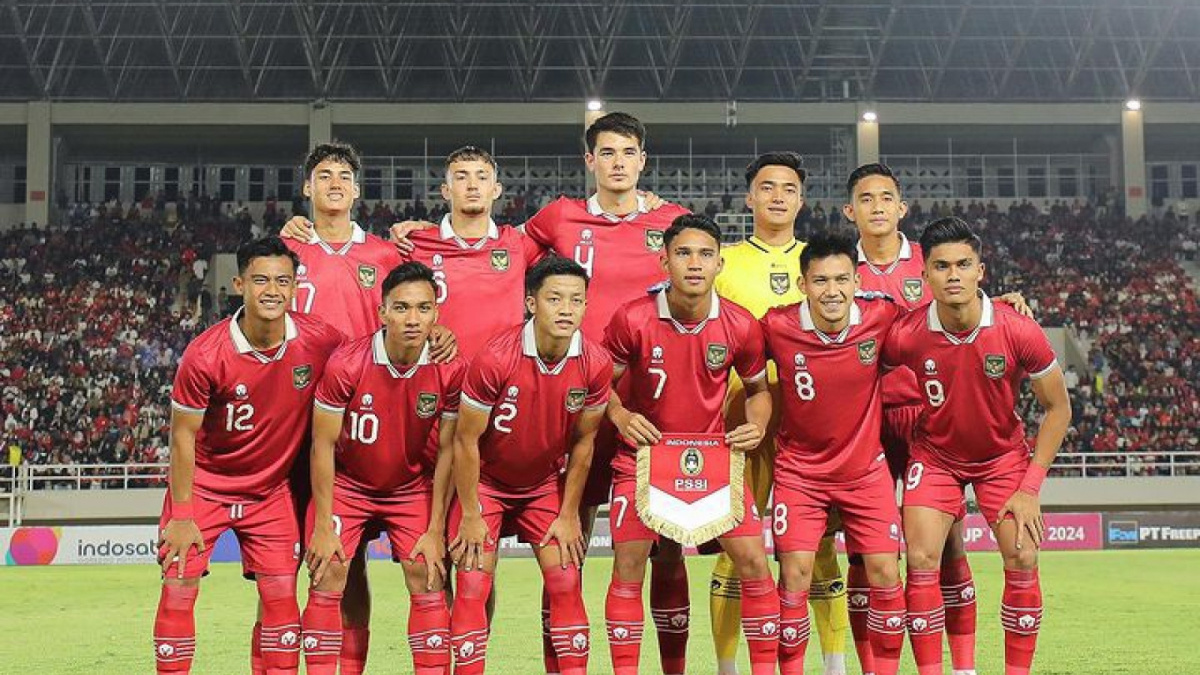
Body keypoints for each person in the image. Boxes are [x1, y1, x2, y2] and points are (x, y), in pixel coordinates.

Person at [517, 112, 692, 673]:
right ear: (589, 161)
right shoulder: (559, 216)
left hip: (652, 410)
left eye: (629, 153)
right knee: (563, 550)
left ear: (643, 160)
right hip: (574, 404)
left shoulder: (673, 221)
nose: (618, 163)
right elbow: (497, 260)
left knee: (665, 549)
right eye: (607, 153)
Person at [278, 141, 456, 675]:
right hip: (302, 425)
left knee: (417, 569)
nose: (334, 182)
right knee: (324, 565)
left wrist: (439, 328)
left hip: (385, 421)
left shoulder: (385, 254)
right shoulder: (287, 253)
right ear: (307, 189)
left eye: (344, 176)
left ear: (358, 191)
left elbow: (426, 295)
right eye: (323, 175)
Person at [881, 217, 1071, 675]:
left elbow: (1059, 409)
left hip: (1002, 459)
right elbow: (866, 374)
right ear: (924, 276)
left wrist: (1030, 488)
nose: (953, 275)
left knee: (1023, 555)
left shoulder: (1017, 329)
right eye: (941, 266)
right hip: (935, 457)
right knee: (922, 558)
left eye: (963, 264)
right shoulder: (906, 334)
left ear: (980, 271)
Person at [153, 236, 344, 675]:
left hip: (269, 491)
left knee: (281, 597)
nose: (272, 290)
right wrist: (181, 514)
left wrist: (440, 337)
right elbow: (182, 437)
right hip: (205, 487)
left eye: (282, 280)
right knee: (178, 589)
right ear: (240, 284)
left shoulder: (320, 340)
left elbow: (371, 354)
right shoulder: (204, 354)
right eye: (260, 280)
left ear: (295, 287)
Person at [603, 214, 779, 675]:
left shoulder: (740, 325)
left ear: (720, 263)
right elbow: (600, 386)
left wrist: (757, 426)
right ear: (663, 260)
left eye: (704, 254)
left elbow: (759, 392)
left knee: (753, 560)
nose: (694, 264)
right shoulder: (632, 317)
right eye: (683, 253)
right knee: (634, 563)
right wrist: (621, 416)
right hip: (642, 458)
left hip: (712, 461)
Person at [711, 152, 850, 675]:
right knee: (736, 552)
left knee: (821, 548)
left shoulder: (821, 265)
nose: (776, 196)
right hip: (740, 423)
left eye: (787, 188)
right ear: (749, 198)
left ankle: (833, 666)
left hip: (811, 426)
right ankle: (729, 668)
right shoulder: (722, 262)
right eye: (765, 187)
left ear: (801, 199)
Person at [842, 163, 977, 675]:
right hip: (863, 422)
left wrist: (1005, 301)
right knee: (864, 553)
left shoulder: (931, 260)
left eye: (886, 198)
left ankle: (960, 667)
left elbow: (970, 310)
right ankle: (870, 666)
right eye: (865, 199)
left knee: (945, 547)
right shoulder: (838, 268)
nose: (876, 206)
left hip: (927, 418)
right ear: (850, 211)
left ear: (902, 208)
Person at [447, 256, 612, 675]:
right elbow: (465, 440)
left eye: (576, 300)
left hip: (542, 485)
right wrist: (469, 512)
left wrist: (569, 512)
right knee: (471, 583)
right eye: (555, 298)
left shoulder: (595, 363)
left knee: (566, 580)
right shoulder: (495, 358)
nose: (566, 309)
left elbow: (584, 441)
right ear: (531, 303)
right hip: (486, 483)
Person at [301, 262, 465, 675]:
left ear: (436, 313)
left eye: (424, 309)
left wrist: (434, 529)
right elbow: (321, 444)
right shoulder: (347, 364)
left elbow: (449, 449)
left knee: (428, 574)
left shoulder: (450, 369)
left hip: (410, 487)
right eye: (402, 308)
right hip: (348, 485)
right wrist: (323, 524)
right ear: (383, 312)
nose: (413, 319)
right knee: (327, 572)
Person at [760, 231, 906, 675]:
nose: (833, 291)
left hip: (865, 471)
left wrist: (997, 299)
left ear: (856, 279)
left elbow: (942, 318)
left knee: (885, 573)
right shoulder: (776, 325)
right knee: (796, 576)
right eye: (820, 280)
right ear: (802, 284)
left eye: (842, 279)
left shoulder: (881, 316)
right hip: (800, 474)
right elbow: (724, 339)